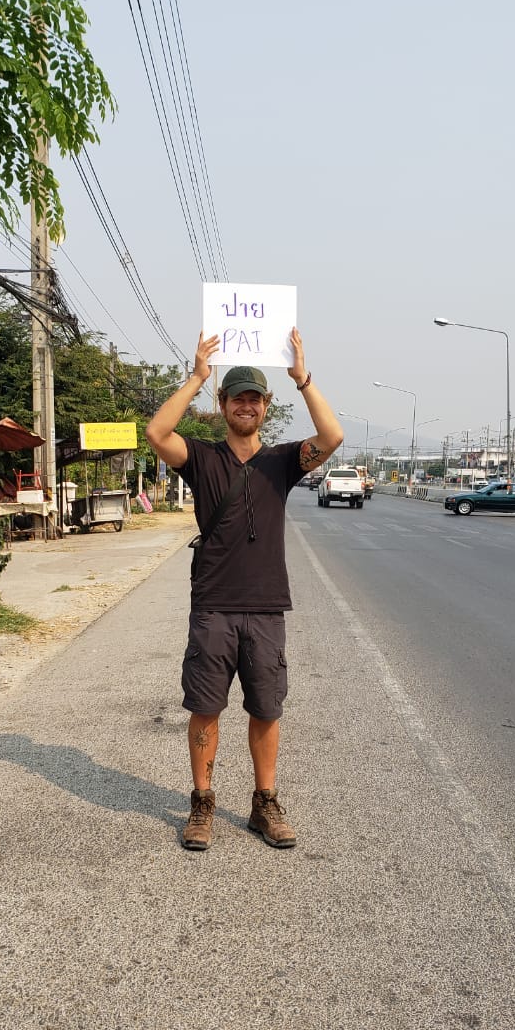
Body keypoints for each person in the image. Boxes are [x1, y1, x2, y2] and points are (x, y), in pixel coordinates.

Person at [145, 327, 343, 851]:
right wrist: (195, 377)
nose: (247, 406)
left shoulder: (281, 461)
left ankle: (264, 802)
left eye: (255, 399)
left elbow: (332, 437)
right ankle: (203, 803)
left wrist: (303, 378)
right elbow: (157, 433)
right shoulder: (203, 458)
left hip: (266, 608)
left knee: (266, 709)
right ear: (224, 403)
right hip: (213, 607)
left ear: (265, 405)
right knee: (205, 707)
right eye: (238, 398)